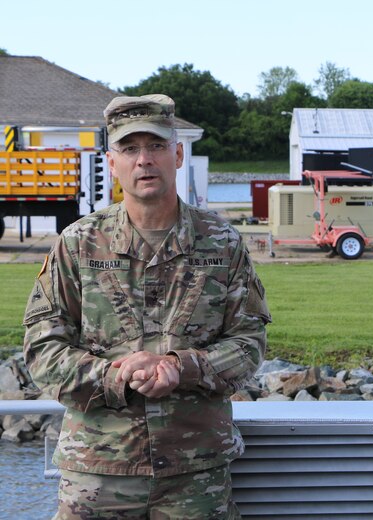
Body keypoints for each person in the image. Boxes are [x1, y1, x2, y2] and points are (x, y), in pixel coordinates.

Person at [23, 94, 271, 519]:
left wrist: (184, 367)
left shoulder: (223, 244)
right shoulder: (78, 244)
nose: (144, 160)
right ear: (111, 160)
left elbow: (249, 342)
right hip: (99, 473)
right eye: (129, 148)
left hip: (195, 475)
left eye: (156, 146)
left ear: (177, 155)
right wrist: (115, 375)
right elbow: (42, 349)